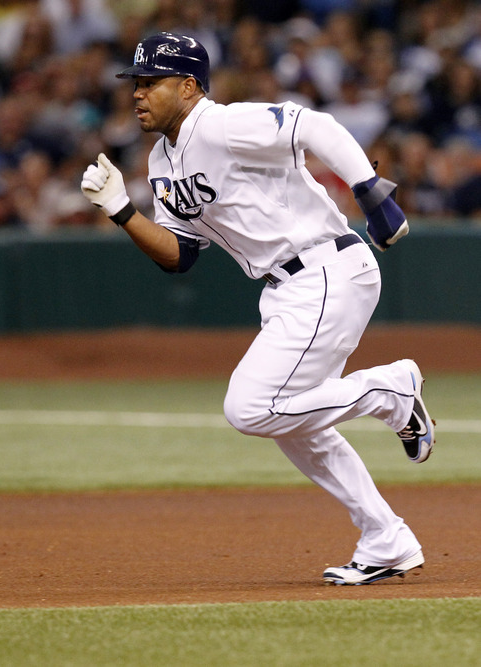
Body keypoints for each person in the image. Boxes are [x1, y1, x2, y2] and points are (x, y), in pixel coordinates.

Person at [81, 32, 436, 586]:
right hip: (288, 288)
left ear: (189, 86)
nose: (138, 93)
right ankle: (386, 539)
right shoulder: (160, 160)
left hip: (325, 269)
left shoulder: (221, 124)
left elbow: (315, 126)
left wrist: (370, 193)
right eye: (136, 83)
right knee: (296, 425)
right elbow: (180, 256)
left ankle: (390, 391)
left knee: (250, 408)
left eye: (151, 82)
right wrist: (122, 210)